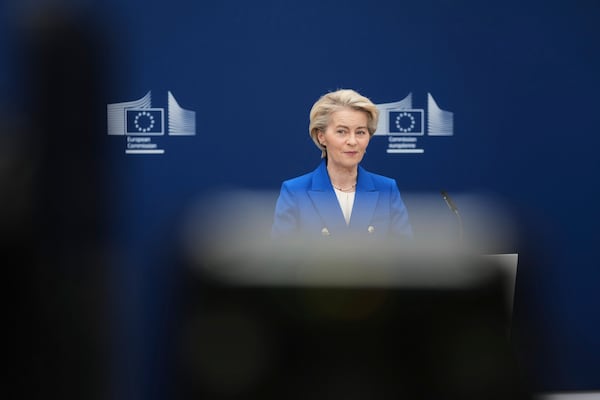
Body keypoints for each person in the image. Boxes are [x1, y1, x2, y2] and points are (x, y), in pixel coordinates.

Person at [271, 89, 412, 241]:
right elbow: (282, 260)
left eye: (360, 132)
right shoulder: (295, 192)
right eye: (342, 132)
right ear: (321, 137)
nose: (352, 141)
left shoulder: (387, 189)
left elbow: (404, 258)